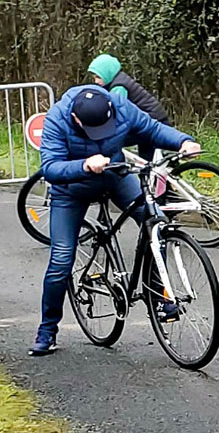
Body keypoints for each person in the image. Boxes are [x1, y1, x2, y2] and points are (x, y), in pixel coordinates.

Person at [31, 85, 200, 356]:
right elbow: (50, 168)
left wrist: (183, 141)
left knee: (155, 223)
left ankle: (158, 296)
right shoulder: (57, 119)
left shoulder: (119, 105)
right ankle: (47, 329)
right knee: (62, 259)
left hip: (116, 178)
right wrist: (84, 165)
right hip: (71, 191)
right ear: (76, 119)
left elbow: (152, 129)